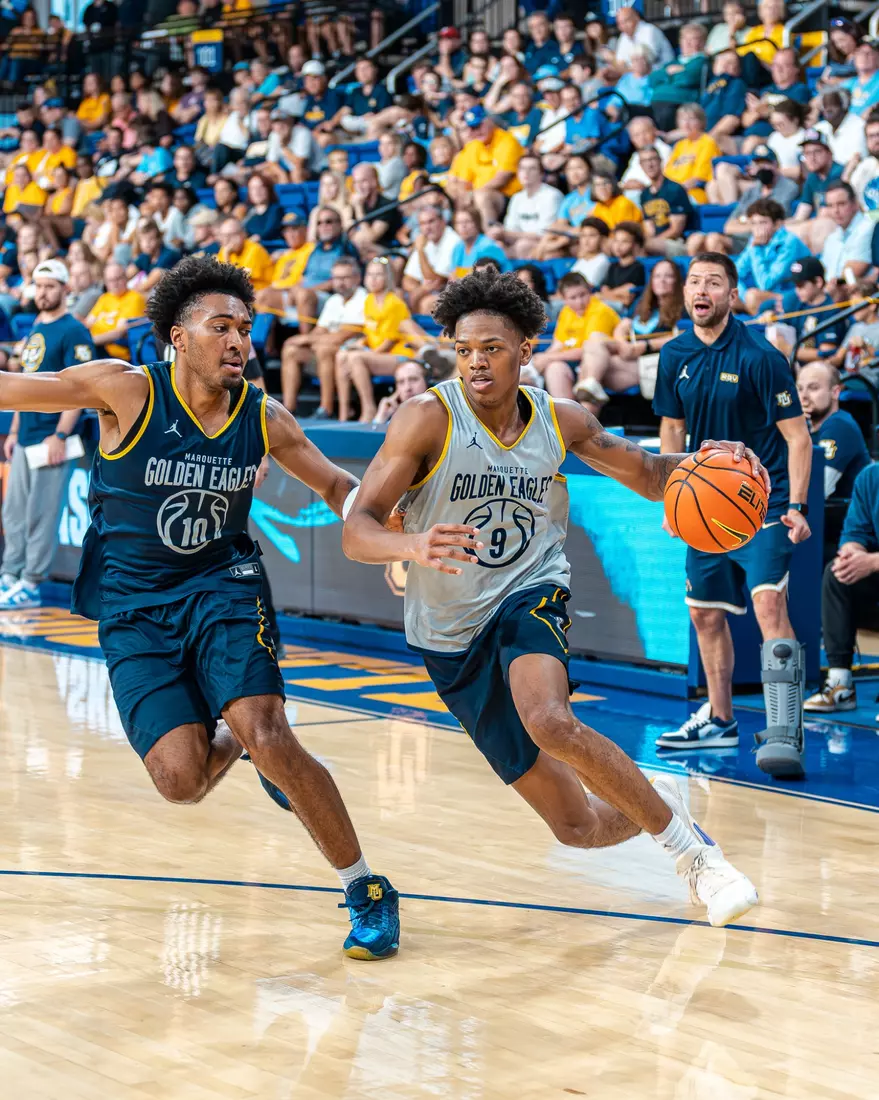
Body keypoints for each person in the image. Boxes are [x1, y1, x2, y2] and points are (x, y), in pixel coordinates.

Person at [0, 255, 400, 958]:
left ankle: (365, 888)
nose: (240, 341)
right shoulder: (122, 390)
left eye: (245, 328)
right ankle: (246, 748)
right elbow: (14, 389)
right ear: (178, 337)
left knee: (268, 729)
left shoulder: (262, 415)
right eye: (222, 327)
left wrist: (388, 525)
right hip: (132, 604)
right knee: (180, 782)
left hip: (224, 584)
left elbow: (339, 486)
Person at [342, 268, 759, 929]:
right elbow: (357, 528)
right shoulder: (425, 420)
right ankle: (661, 803)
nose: (476, 362)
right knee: (578, 828)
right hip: (449, 633)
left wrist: (716, 462)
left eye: (493, 349)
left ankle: (695, 861)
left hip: (530, 589)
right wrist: (411, 547)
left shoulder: (559, 420)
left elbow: (651, 474)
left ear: (525, 351)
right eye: (464, 350)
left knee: (548, 718)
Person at [653, 252, 813, 779]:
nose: (702, 290)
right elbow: (672, 434)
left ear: (732, 295)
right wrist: (670, 498)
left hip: (761, 505)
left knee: (769, 607)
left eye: (713, 282)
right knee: (704, 613)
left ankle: (785, 730)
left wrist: (797, 506)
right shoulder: (674, 353)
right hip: (705, 507)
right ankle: (721, 719)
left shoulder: (762, 357)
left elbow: (797, 437)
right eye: (694, 281)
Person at [0, 260, 95, 611]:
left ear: (65, 290)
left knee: (41, 515)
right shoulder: (37, 326)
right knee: (14, 513)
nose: (42, 292)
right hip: (25, 434)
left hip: (51, 439)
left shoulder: (74, 331)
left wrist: (59, 434)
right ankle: (10, 575)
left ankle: (30, 583)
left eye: (50, 286)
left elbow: (81, 390)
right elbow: (24, 386)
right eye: (38, 286)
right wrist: (13, 429)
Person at [805, 462, 879, 714]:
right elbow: (855, 534)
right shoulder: (870, 477)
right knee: (837, 573)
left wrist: (872, 561)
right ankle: (840, 685)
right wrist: (852, 554)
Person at [577, 259, 685, 414]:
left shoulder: (684, 307)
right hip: (630, 357)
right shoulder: (642, 305)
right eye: (657, 276)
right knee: (595, 338)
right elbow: (624, 326)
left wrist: (645, 345)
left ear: (677, 281)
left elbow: (687, 335)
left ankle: (582, 427)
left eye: (668, 276)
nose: (661, 280)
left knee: (589, 368)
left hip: (654, 363)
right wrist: (622, 341)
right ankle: (591, 384)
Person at [335, 258, 426, 423]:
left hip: (400, 355)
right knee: (342, 354)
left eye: (378, 275)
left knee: (356, 358)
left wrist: (365, 352)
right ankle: (343, 412)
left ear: (387, 278)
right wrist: (359, 344)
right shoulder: (369, 300)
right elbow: (371, 333)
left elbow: (389, 341)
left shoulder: (394, 303)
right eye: (370, 274)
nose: (373, 279)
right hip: (377, 355)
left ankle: (368, 408)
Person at [797, 362, 871, 557]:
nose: (803, 396)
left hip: (845, 535)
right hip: (822, 524)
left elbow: (818, 489)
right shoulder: (804, 429)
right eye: (799, 388)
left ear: (835, 392)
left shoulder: (839, 425)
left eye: (813, 388)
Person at [279, 257, 367, 417]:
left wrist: (306, 339)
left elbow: (343, 336)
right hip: (326, 356)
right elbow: (320, 330)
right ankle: (288, 409)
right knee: (291, 349)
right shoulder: (334, 300)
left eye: (345, 278)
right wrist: (306, 340)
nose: (340, 283)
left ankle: (325, 408)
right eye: (336, 278)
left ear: (357, 278)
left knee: (324, 349)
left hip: (350, 356)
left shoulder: (364, 298)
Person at [532, 272, 620, 399]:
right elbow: (558, 344)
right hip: (570, 361)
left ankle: (584, 416)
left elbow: (589, 349)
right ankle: (566, 416)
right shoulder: (566, 311)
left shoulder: (601, 311)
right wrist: (541, 359)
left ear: (589, 291)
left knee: (556, 364)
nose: (580, 302)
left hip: (597, 363)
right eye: (573, 298)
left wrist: (548, 358)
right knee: (554, 368)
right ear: (564, 299)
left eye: (583, 295)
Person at [447, 105, 523, 226]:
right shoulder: (473, 146)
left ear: (489, 121)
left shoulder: (507, 141)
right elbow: (463, 181)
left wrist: (473, 194)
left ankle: (490, 235)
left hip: (508, 196)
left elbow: (501, 179)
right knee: (459, 196)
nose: (476, 131)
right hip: (477, 195)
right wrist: (465, 195)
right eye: (472, 128)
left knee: (481, 196)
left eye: (479, 126)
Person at [735, 198, 811, 315]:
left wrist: (756, 249)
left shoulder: (789, 242)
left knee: (753, 296)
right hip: (769, 295)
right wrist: (743, 296)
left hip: (794, 295)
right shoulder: (755, 241)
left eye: (763, 223)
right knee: (728, 297)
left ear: (777, 224)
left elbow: (766, 284)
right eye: (754, 223)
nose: (757, 229)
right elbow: (734, 274)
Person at [487, 154, 562, 260]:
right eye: (522, 168)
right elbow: (511, 228)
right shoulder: (517, 197)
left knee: (523, 245)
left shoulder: (551, 196)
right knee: (495, 245)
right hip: (520, 243)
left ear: (541, 174)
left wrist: (506, 233)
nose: (526, 173)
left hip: (544, 244)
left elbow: (543, 234)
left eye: (532, 168)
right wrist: (499, 234)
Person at [402, 205, 461, 316]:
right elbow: (407, 280)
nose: (427, 228)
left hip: (451, 293)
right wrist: (422, 289)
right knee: (397, 296)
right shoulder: (425, 240)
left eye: (431, 221)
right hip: (429, 292)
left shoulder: (453, 240)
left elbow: (436, 281)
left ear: (443, 221)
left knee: (427, 303)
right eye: (423, 224)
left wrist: (420, 251)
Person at [639, 145, 694, 257]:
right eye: (644, 161)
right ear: (641, 166)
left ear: (660, 161)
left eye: (652, 159)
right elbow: (649, 228)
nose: (649, 165)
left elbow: (676, 230)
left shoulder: (674, 189)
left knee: (641, 245)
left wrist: (651, 242)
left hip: (678, 242)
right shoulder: (644, 194)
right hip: (656, 242)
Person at [86, 263, 146, 361]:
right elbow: (88, 323)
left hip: (117, 356)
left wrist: (89, 341)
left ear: (126, 278)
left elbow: (119, 333)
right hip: (97, 350)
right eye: (110, 280)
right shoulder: (105, 298)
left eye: (118, 278)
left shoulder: (135, 298)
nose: (115, 283)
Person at [820, 181, 873, 287]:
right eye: (830, 206)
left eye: (841, 204)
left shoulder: (868, 229)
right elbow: (822, 273)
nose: (836, 211)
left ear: (855, 204)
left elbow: (848, 278)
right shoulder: (832, 238)